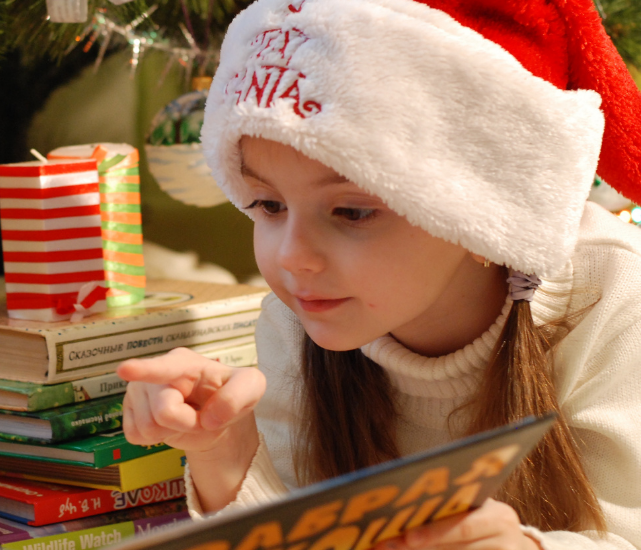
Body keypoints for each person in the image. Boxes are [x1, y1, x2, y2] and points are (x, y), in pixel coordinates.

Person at [118, 0, 641, 549]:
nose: (294, 258)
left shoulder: (614, 292)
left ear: (484, 212)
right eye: (268, 206)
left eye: (352, 212)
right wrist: (223, 453)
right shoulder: (298, 322)